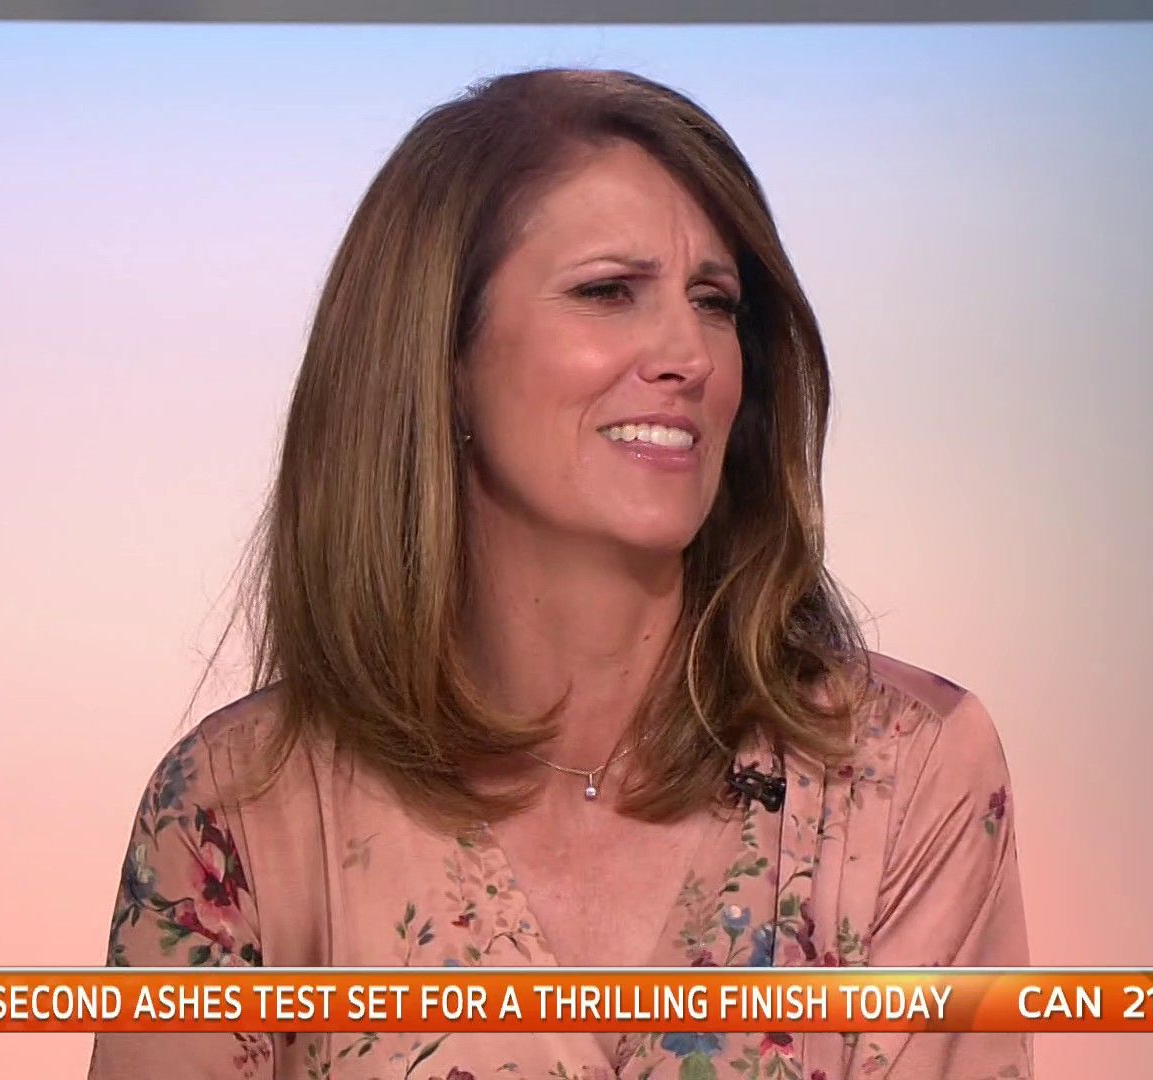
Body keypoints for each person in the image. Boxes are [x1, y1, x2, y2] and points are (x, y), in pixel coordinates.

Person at [88, 67, 1029, 1080]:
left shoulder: (905, 777)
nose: (689, 354)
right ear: (443, 355)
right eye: (609, 292)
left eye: (714, 302)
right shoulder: (239, 807)